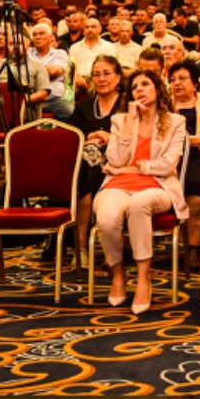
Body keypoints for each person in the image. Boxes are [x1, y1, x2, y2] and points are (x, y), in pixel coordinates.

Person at [96, 70, 188, 314]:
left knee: (139, 203)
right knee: (106, 217)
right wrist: (129, 122)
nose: (139, 89)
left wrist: (133, 167)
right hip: (118, 184)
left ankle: (143, 278)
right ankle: (117, 274)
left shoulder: (175, 122)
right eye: (135, 86)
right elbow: (115, 159)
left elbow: (167, 165)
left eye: (145, 84)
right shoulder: (120, 120)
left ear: (157, 89)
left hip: (158, 185)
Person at [73, 56, 127, 264]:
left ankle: (82, 245)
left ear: (118, 77)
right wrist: (90, 137)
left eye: (107, 73)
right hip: (87, 163)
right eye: (96, 75)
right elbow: (74, 137)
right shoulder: (83, 106)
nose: (101, 79)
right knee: (87, 164)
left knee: (86, 170)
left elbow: (137, 136)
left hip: (121, 160)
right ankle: (85, 245)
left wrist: (110, 138)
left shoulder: (127, 105)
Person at [168, 60, 200, 253]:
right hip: (168, 156)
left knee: (198, 182)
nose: (177, 83)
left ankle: (194, 248)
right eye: (173, 80)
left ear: (195, 83)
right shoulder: (163, 106)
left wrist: (187, 140)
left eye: (182, 78)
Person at [28, 22, 72, 120]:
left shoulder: (60, 53)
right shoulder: (27, 53)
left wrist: (33, 69)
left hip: (52, 98)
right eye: (34, 35)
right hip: (30, 97)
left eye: (41, 34)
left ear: (50, 37)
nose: (37, 37)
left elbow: (54, 73)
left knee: (71, 112)